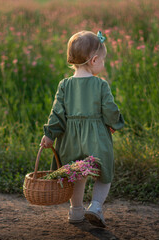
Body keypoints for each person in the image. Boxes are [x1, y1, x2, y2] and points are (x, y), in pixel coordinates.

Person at [40, 30, 124, 228]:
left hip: (70, 139)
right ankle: (95, 206)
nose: (103, 64)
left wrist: (49, 135)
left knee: (76, 174)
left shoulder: (64, 85)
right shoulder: (101, 85)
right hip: (96, 138)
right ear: (94, 60)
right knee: (104, 171)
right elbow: (110, 110)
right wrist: (114, 123)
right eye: (103, 60)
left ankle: (76, 211)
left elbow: (57, 114)